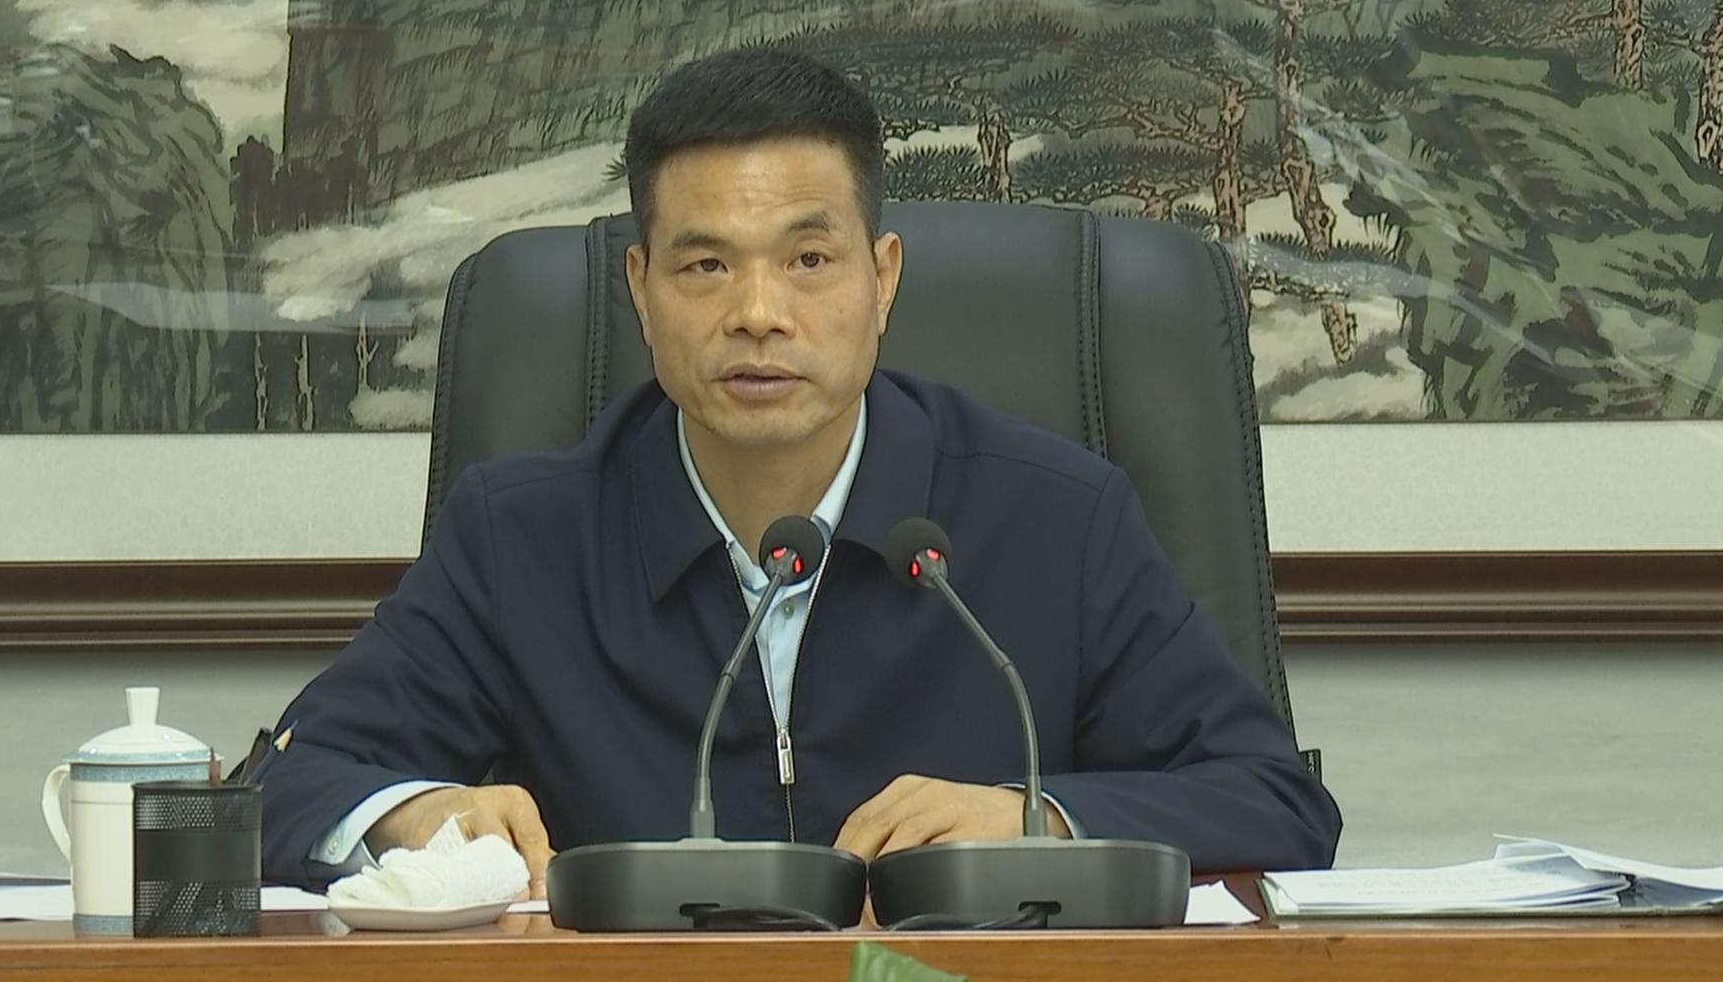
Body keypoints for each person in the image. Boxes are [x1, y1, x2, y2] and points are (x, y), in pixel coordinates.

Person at [254, 48, 1341, 896]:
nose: (759, 312)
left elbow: (1274, 801)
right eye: (705, 264)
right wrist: (405, 816)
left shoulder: (1056, 518)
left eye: (809, 260)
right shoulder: (521, 537)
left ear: (883, 278)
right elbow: (278, 789)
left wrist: (1039, 819)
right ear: (640, 289)